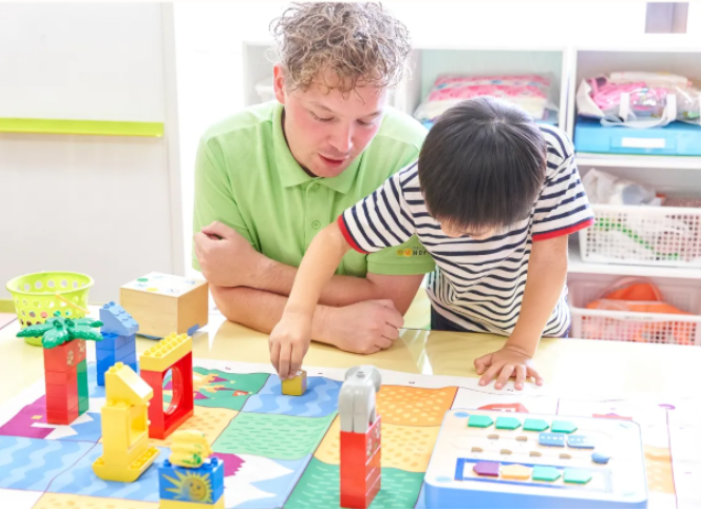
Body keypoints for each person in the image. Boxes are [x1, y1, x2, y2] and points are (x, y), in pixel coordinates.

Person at [270, 97, 595, 390]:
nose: (450, 234)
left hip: (538, 330)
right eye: (439, 219)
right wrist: (298, 314)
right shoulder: (412, 186)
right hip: (456, 322)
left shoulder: (549, 157)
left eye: (470, 233)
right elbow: (334, 238)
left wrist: (520, 348)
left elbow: (550, 259)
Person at [193, 3, 434, 356]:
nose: (344, 143)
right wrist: (326, 324)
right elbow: (228, 291)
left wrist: (256, 271)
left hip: (390, 350)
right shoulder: (223, 148)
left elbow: (388, 301)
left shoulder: (411, 153)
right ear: (280, 85)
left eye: (367, 121)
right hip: (261, 347)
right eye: (323, 116)